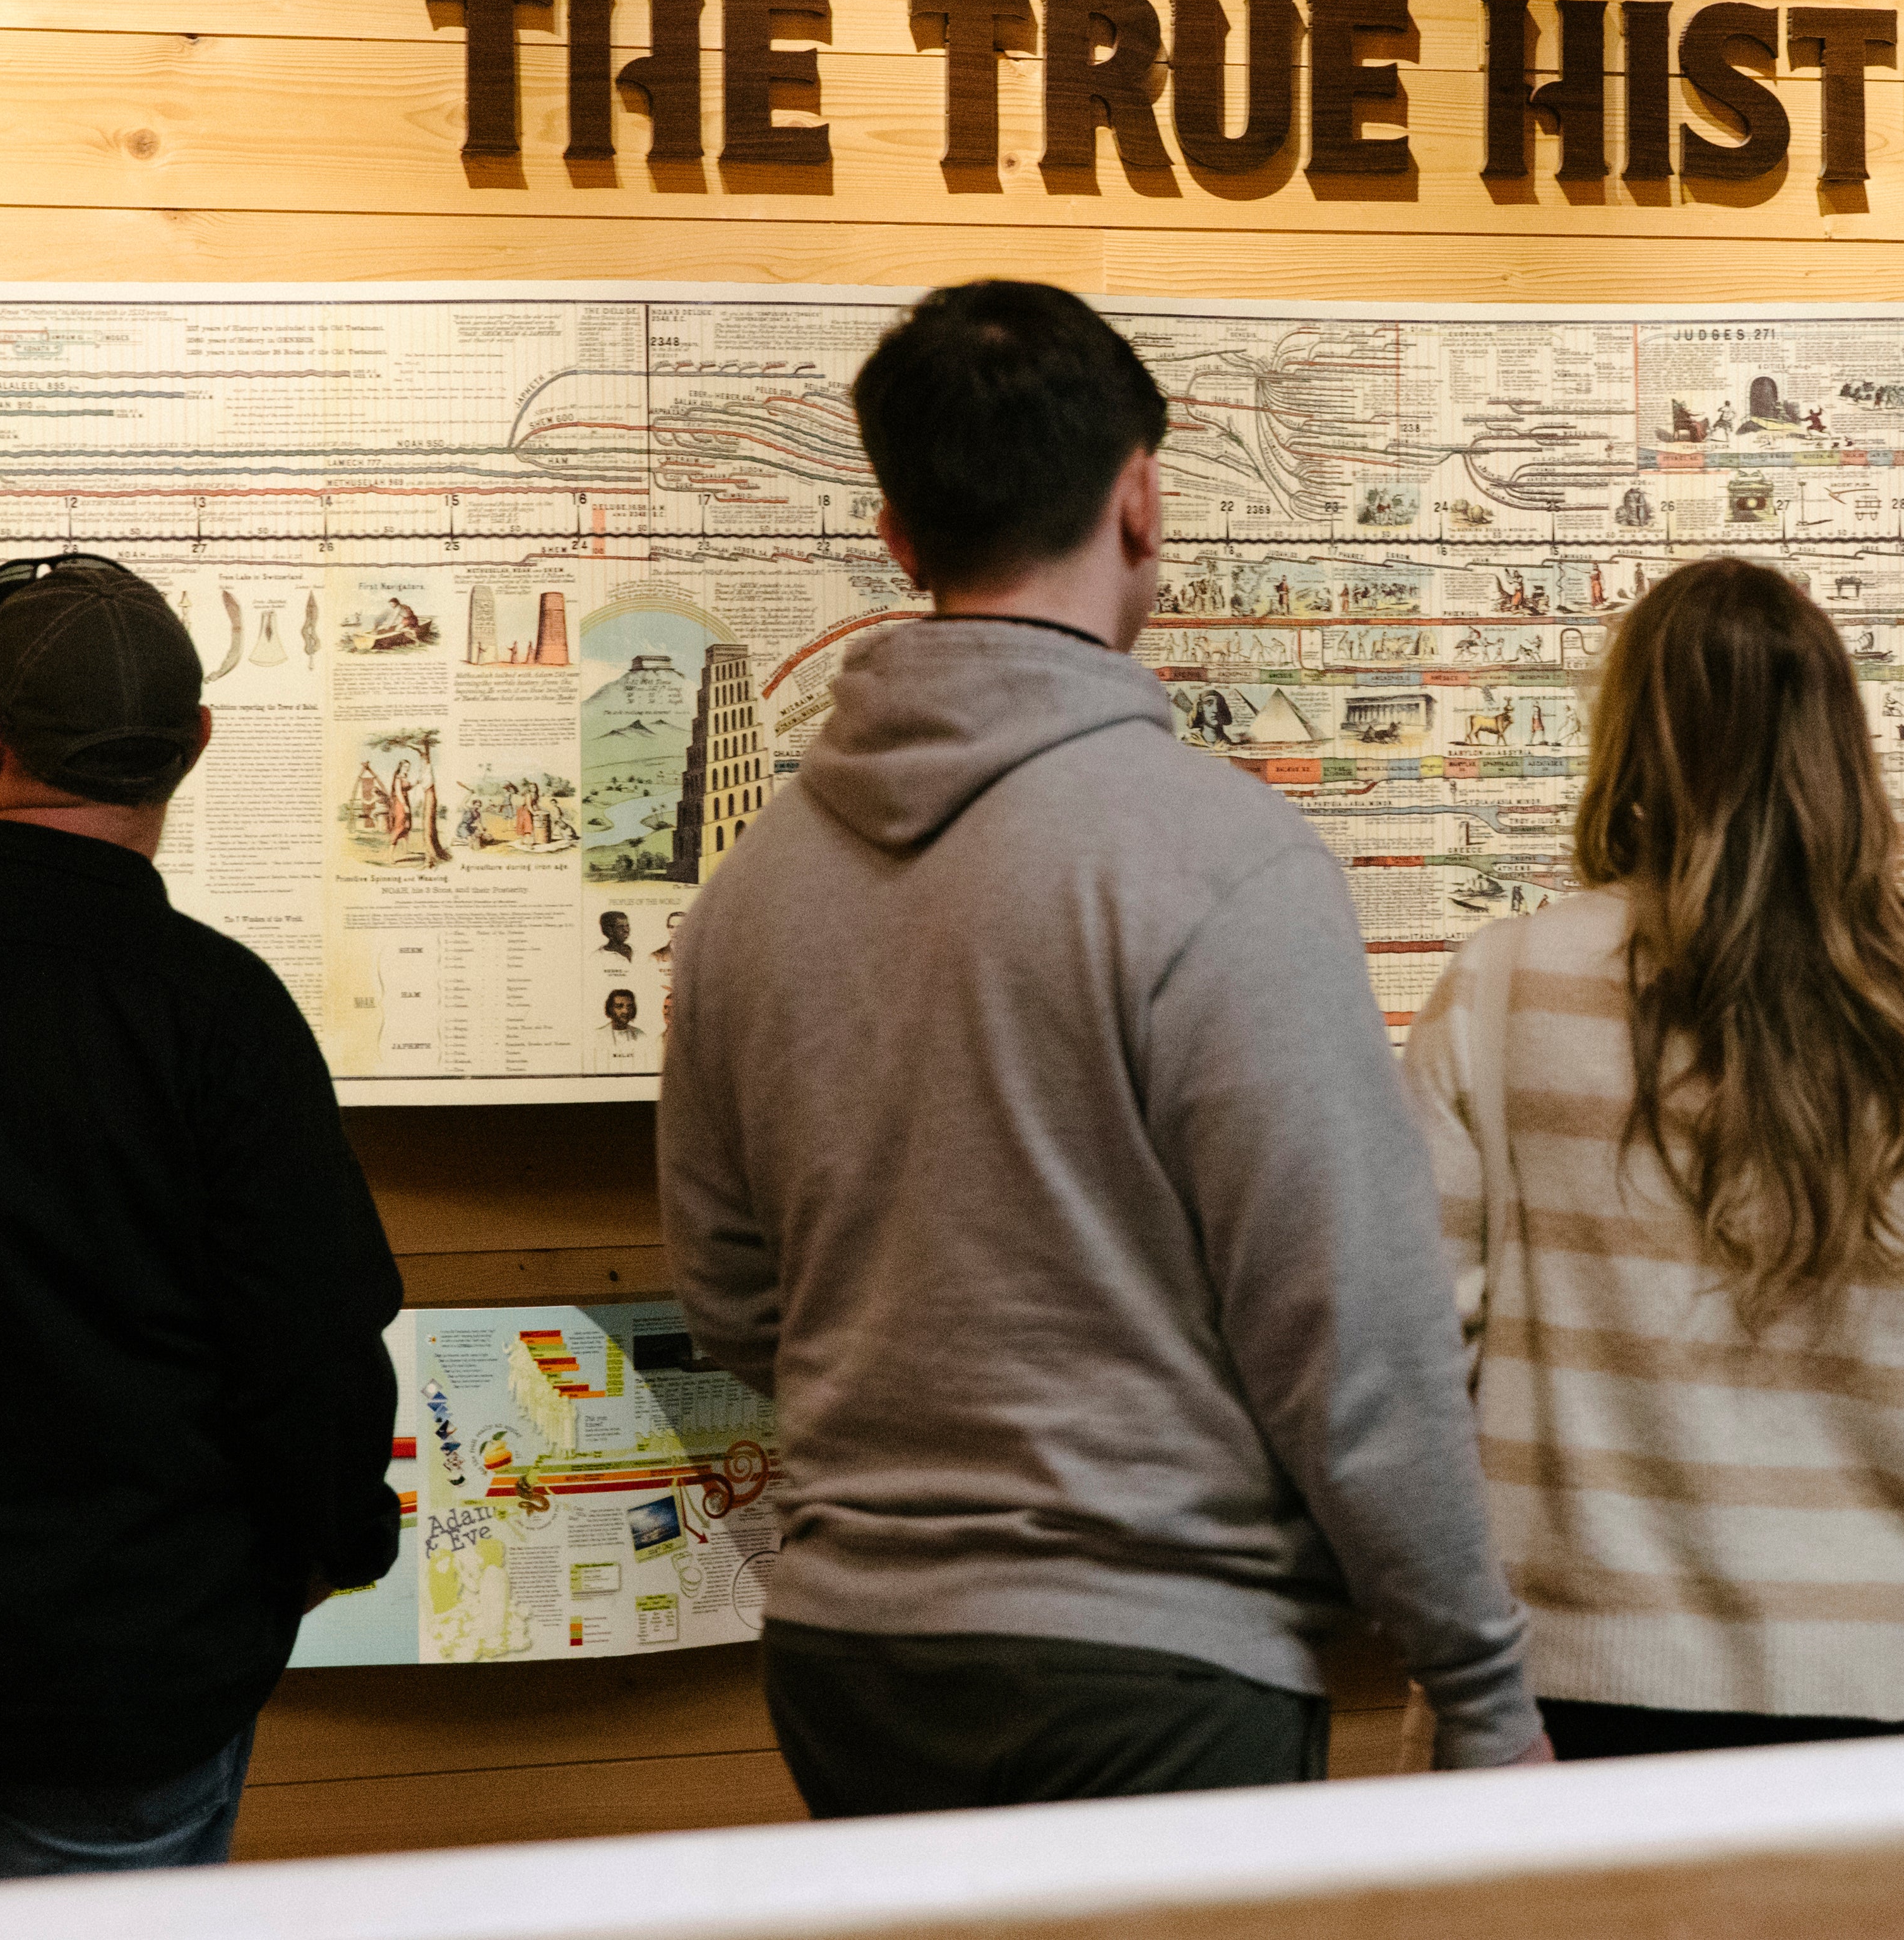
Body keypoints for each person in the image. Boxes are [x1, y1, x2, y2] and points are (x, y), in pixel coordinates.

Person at [660, 280, 1545, 1815]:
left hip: (847, 1653)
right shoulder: (1223, 862)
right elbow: (1350, 1329)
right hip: (1157, 1666)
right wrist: (1473, 1677)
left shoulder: (753, 888)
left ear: (898, 532)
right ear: (1141, 501)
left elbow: (735, 1292)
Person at [1408, 556, 1904, 1761]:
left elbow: (1413, 1349)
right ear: (1840, 741)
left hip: (1579, 1681)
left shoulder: (1500, 989)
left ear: (1628, 736)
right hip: (1896, 1679)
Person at [0, 554, 402, 1887]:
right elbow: (307, 1345)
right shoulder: (221, 1011)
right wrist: (326, 1549)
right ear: (195, 745)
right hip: (127, 1673)